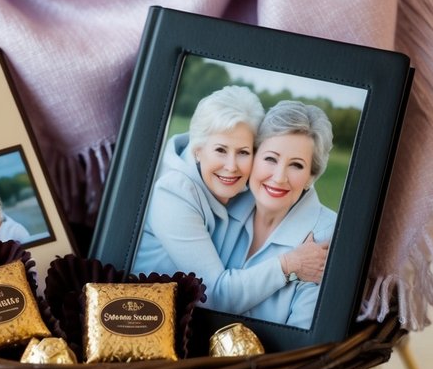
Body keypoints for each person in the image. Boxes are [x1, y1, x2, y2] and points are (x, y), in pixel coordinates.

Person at [131, 85, 327, 315]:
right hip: (145, 319)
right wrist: (289, 264)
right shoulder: (173, 194)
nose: (232, 166)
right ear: (198, 150)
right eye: (221, 150)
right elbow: (212, 294)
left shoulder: (238, 188)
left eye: (243, 152)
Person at [226, 100, 336, 330]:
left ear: (311, 176)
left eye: (296, 165)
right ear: (252, 158)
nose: (279, 177)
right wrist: (289, 266)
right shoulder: (223, 206)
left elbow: (302, 342)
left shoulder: (328, 234)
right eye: (270, 159)